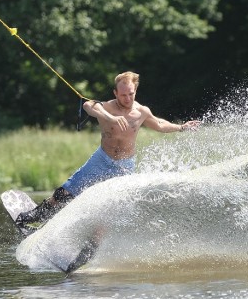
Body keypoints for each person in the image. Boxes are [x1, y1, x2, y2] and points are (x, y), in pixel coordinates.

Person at [16, 71, 200, 233]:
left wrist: (181, 127)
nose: (127, 99)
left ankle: (91, 248)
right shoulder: (107, 107)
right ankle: (32, 217)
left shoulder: (141, 111)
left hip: (124, 167)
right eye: (123, 95)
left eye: (131, 94)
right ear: (115, 93)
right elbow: (88, 106)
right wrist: (110, 117)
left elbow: (159, 124)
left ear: (135, 91)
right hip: (101, 160)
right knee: (63, 195)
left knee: (107, 209)